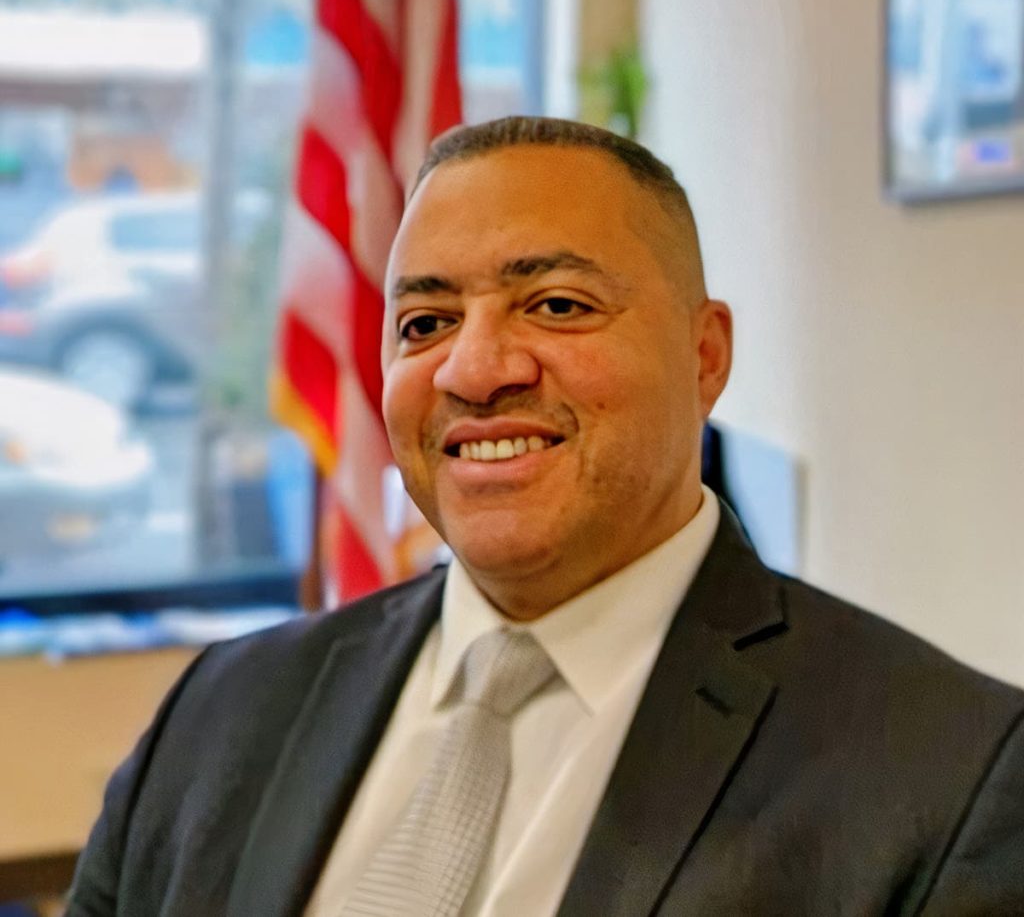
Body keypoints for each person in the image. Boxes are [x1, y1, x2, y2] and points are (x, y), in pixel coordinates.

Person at [68, 117, 1024, 916]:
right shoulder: (221, 714)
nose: (474, 370)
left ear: (705, 357)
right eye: (425, 322)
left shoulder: (951, 777)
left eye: (557, 304)